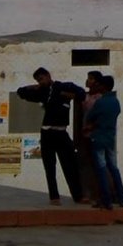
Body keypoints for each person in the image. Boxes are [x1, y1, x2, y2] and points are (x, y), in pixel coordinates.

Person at [14, 67, 86, 205]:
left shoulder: (64, 87)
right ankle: (54, 196)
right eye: (38, 80)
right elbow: (21, 92)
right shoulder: (42, 92)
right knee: (49, 165)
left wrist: (72, 96)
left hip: (61, 132)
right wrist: (34, 87)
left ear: (48, 75)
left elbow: (82, 93)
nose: (40, 82)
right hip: (47, 133)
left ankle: (78, 195)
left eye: (41, 79)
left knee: (70, 164)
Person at [84, 73, 123, 208]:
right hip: (110, 138)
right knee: (114, 168)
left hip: (98, 138)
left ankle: (106, 200)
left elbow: (90, 117)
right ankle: (121, 198)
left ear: (103, 86)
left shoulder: (100, 102)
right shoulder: (115, 102)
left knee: (101, 169)